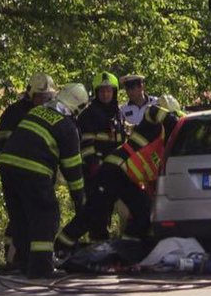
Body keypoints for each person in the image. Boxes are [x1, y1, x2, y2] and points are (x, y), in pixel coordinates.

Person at [56, 98, 182, 255]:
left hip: (126, 177)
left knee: (143, 211)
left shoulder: (169, 142)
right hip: (114, 170)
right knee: (93, 212)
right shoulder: (153, 124)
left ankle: (127, 250)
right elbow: (152, 111)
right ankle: (60, 246)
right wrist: (175, 120)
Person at [0, 82, 89, 279]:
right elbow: (72, 168)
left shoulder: (37, 112)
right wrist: (79, 199)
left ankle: (25, 264)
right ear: (78, 107)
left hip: (7, 167)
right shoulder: (67, 127)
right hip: (33, 170)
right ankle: (41, 268)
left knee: (21, 216)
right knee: (46, 216)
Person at [0, 73, 56, 269]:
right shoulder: (14, 113)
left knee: (27, 216)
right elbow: (2, 143)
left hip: (36, 174)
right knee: (20, 216)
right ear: (30, 95)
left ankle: (22, 259)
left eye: (46, 98)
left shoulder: (47, 114)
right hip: (15, 173)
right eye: (39, 97)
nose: (42, 101)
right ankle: (14, 258)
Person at [77, 71, 128, 241]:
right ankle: (97, 245)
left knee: (114, 210)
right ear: (96, 92)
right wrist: (94, 165)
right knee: (98, 212)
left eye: (109, 91)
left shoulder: (118, 113)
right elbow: (85, 145)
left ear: (114, 92)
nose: (106, 94)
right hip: (96, 172)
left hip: (115, 171)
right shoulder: (89, 114)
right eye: (102, 91)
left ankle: (112, 244)